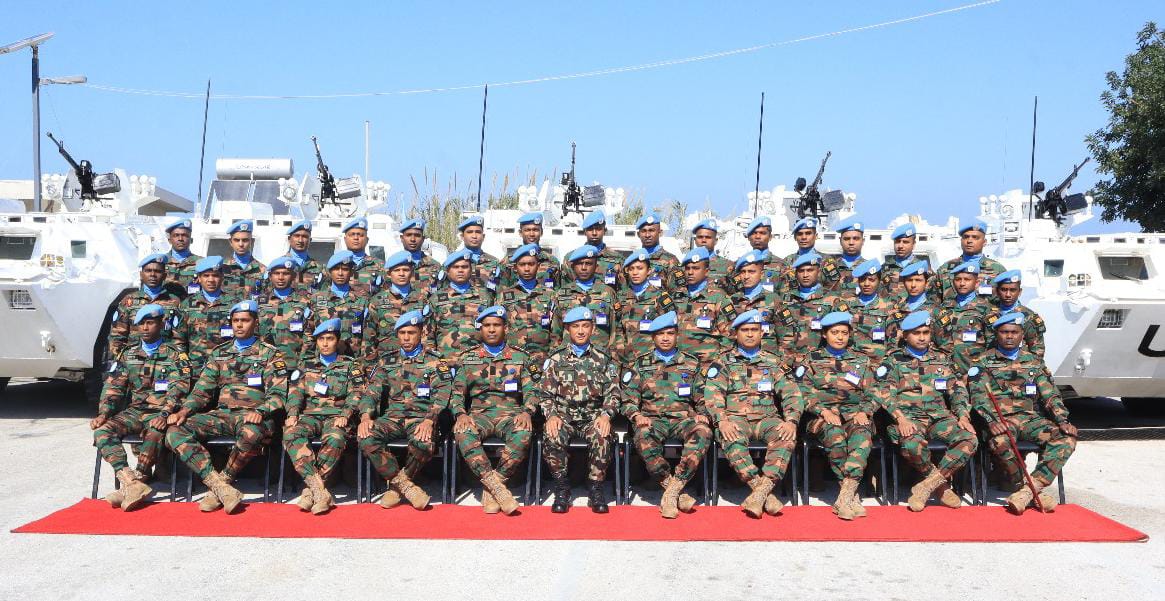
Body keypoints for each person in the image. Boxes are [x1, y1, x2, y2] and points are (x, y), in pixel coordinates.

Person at [164, 300, 289, 514]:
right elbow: (202, 391)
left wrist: (260, 411)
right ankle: (220, 486)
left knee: (251, 433)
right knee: (175, 431)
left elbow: (278, 395)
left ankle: (223, 482)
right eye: (236, 321)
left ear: (255, 322)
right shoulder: (219, 353)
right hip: (222, 414)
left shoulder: (271, 354)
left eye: (245, 320)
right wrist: (184, 411)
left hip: (254, 416)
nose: (239, 325)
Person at [968, 312, 1077, 514]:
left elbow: (1050, 395)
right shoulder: (982, 362)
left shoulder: (1034, 363)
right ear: (996, 334)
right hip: (1001, 421)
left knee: (1066, 439)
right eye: (1004, 332)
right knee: (1000, 441)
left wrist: (1062, 420)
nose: (1009, 336)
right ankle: (1020, 485)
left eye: (1014, 332)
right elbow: (978, 397)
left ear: (1021, 335)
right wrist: (992, 421)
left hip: (1030, 420)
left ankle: (1029, 490)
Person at [703, 310, 805, 518]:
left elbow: (792, 393)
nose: (750, 334)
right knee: (731, 437)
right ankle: (762, 492)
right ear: (736, 334)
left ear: (761, 333)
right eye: (745, 330)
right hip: (735, 419)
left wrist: (792, 421)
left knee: (785, 438)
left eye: (754, 330)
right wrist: (721, 421)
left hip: (767, 419)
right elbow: (713, 395)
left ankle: (760, 493)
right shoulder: (722, 363)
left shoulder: (773, 362)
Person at [91, 304, 193, 511]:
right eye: (141, 324)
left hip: (162, 412)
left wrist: (165, 413)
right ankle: (131, 481)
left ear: (161, 324)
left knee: (156, 431)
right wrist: (103, 413)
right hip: (136, 411)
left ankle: (140, 476)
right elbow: (113, 387)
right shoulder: (128, 354)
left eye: (150, 323)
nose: (145, 328)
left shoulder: (175, 354)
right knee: (102, 431)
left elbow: (180, 387)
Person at [874, 311, 977, 511]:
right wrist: (900, 418)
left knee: (969, 438)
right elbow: (884, 393)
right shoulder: (893, 361)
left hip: (939, 418)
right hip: (909, 418)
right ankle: (942, 487)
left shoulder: (941, 360)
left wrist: (962, 415)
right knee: (911, 444)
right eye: (916, 333)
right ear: (905, 336)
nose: (922, 337)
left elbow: (957, 390)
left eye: (926, 332)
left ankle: (927, 486)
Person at [359, 310, 453, 510]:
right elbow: (372, 392)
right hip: (392, 418)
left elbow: (444, 391)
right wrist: (366, 416)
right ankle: (405, 485)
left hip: (421, 418)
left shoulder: (434, 360)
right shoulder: (387, 360)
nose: (407, 337)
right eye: (402, 333)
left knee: (424, 441)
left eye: (411, 332)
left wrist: (430, 420)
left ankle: (396, 488)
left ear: (421, 333)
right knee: (366, 436)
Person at [621, 311, 711, 518]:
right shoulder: (640, 364)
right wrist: (636, 416)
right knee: (643, 435)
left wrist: (702, 413)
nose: (665, 338)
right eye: (660, 334)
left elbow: (701, 396)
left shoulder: (691, 363)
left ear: (677, 335)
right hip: (652, 419)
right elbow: (628, 399)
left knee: (703, 432)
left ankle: (674, 488)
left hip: (683, 419)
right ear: (653, 337)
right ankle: (673, 490)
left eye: (670, 333)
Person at [449, 306, 537, 515]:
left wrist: (527, 412)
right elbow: (457, 393)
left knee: (523, 433)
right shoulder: (468, 358)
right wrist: (460, 414)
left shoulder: (521, 357)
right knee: (462, 432)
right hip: (480, 415)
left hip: (512, 414)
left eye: (496, 325)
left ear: (505, 327)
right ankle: (497, 488)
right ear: (480, 329)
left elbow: (533, 392)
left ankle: (492, 486)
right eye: (487, 325)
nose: (491, 329)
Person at [794, 312, 878, 520]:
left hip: (854, 415)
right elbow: (801, 392)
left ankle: (846, 495)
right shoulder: (811, 360)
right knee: (835, 436)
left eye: (844, 333)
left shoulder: (861, 361)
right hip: (822, 416)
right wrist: (822, 411)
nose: (840, 337)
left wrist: (864, 411)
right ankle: (850, 494)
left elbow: (875, 392)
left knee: (862, 436)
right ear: (824, 334)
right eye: (834, 333)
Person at [539, 307, 620, 514]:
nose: (581, 331)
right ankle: (562, 487)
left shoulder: (603, 359)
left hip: (593, 417)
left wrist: (605, 415)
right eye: (576, 327)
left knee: (602, 435)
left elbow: (613, 393)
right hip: (564, 417)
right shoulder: (556, 359)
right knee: (552, 433)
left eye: (585, 326)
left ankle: (595, 488)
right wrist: (552, 415)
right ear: (567, 329)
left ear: (593, 328)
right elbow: (545, 395)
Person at [282, 318, 366, 514]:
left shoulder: (350, 365)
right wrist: (292, 414)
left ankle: (310, 492)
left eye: (330, 338)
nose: (326, 343)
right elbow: (295, 393)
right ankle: (319, 491)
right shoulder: (305, 365)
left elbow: (357, 392)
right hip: (310, 415)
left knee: (336, 437)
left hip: (337, 416)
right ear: (316, 342)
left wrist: (346, 414)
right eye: (321, 339)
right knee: (290, 433)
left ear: (337, 341)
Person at [361, 250, 431, 364]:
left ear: (412, 273)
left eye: (406, 270)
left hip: (417, 364)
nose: (401, 274)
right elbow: (369, 338)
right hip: (386, 364)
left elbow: (428, 334)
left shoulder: (422, 299)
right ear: (389, 274)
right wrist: (369, 366)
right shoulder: (376, 302)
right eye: (397, 270)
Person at [107, 253, 183, 359]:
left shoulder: (174, 301)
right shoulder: (129, 301)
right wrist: (121, 360)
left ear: (165, 276)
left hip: (165, 361)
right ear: (141, 275)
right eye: (148, 271)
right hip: (134, 361)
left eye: (157, 271)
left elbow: (179, 337)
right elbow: (117, 336)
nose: (152, 275)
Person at [775, 252, 842, 368]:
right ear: (795, 274)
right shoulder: (785, 299)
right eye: (801, 271)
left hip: (820, 364)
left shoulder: (832, 300)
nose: (805, 275)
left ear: (819, 272)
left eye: (810, 270)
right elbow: (779, 334)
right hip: (789, 363)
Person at [611, 249, 676, 365]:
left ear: (649, 271)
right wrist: (621, 349)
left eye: (640, 268)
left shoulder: (660, 297)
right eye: (631, 269)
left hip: (652, 360)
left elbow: (670, 330)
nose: (635, 273)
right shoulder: (621, 297)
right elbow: (618, 327)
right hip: (627, 359)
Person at [173, 256, 238, 372]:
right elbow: (178, 340)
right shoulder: (187, 305)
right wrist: (184, 363)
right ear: (199, 278)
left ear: (222, 277)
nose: (211, 280)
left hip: (227, 369)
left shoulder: (234, 304)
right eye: (206, 276)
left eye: (215, 275)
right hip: (195, 370)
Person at [551, 245, 620, 353]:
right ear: (573, 266)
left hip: (600, 358)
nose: (584, 268)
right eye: (579, 263)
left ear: (596, 266)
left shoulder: (608, 293)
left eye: (588, 263)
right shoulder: (562, 294)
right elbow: (555, 332)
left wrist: (613, 359)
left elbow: (616, 330)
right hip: (568, 359)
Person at [427, 248, 495, 356]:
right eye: (455, 267)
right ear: (448, 271)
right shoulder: (436, 299)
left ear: (471, 269)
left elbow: (493, 331)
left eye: (464, 267)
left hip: (477, 362)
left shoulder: (485, 297)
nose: (460, 270)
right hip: (446, 360)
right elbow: (428, 337)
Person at [497, 243, 558, 364]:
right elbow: (499, 329)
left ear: (538, 266)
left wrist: (553, 358)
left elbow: (556, 331)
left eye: (531, 264)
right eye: (522, 264)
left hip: (543, 359)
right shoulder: (504, 296)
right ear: (515, 268)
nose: (526, 269)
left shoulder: (550, 295)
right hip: (513, 360)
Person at [303, 251, 371, 358]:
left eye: (345, 269)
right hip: (324, 362)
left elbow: (368, 335)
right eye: (336, 269)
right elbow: (308, 332)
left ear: (351, 272)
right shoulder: (316, 299)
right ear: (329, 272)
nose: (340, 273)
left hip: (353, 361)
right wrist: (308, 359)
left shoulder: (362, 300)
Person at [253, 257, 313, 374]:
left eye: (285, 273)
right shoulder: (259, 302)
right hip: (265, 366)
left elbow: (309, 337)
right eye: (277, 273)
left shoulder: (305, 301)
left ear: (293, 276)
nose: (281, 277)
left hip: (294, 365)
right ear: (270, 276)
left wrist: (301, 363)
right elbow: (253, 334)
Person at [673, 248, 734, 362]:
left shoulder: (719, 298)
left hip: (708, 363)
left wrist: (719, 361)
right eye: (687, 268)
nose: (690, 272)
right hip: (680, 364)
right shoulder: (677, 296)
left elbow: (729, 335)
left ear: (706, 271)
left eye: (695, 268)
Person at [933, 262, 994, 371]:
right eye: (958, 279)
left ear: (976, 282)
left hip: (975, 371)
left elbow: (992, 345)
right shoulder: (944, 308)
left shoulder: (987, 310)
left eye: (967, 279)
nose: (962, 283)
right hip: (948, 371)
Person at [934, 219, 1007, 301]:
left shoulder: (997, 270)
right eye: (966, 237)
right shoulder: (945, 269)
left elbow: (1008, 302)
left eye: (975, 237)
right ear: (961, 241)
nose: (969, 241)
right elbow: (934, 302)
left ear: (984, 242)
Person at [844, 260, 899, 361]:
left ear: (879, 280)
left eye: (871, 280)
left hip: (877, 364)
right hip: (850, 363)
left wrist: (886, 364)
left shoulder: (889, 308)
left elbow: (894, 342)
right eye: (862, 280)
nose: (866, 284)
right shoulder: (847, 305)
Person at [728, 250, 781, 354]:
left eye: (751, 272)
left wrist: (782, 360)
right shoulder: (731, 300)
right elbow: (726, 333)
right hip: (738, 361)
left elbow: (786, 335)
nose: (746, 276)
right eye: (743, 272)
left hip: (768, 361)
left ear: (761, 274)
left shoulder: (774, 299)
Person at [988, 270, 1046, 359]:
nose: (1008, 294)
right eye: (1004, 290)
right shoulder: (988, 313)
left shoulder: (1029, 317)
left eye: (1012, 290)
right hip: (992, 366)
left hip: (1020, 367)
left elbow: (1037, 349)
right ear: (997, 291)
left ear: (1020, 292)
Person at [498, 212, 562, 287]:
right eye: (527, 230)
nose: (531, 234)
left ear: (541, 232)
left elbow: (557, 290)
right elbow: (501, 291)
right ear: (520, 233)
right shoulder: (509, 261)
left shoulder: (552, 261)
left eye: (535, 230)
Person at [781, 217, 842, 293]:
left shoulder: (827, 261)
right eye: (800, 234)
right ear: (795, 237)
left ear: (816, 236)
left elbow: (834, 289)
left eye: (808, 233)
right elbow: (782, 289)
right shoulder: (787, 262)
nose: (804, 237)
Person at [634, 212, 683, 291]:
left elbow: (680, 294)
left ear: (660, 232)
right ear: (638, 234)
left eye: (651, 230)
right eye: (643, 231)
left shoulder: (671, 261)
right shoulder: (632, 261)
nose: (647, 235)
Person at [338, 216, 385, 297]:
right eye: (352, 234)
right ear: (345, 239)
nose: (356, 238)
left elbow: (386, 294)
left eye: (360, 235)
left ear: (367, 240)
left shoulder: (380, 265)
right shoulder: (336, 264)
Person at [582, 211, 627, 287]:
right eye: (590, 229)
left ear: (605, 231)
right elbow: (566, 290)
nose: (594, 233)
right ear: (584, 232)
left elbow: (623, 291)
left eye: (598, 229)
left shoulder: (618, 259)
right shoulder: (572, 259)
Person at [221, 220, 266, 296]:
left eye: (245, 240)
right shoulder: (222, 268)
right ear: (230, 242)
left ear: (251, 241)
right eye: (237, 240)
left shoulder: (262, 270)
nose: (241, 244)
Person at [457, 215, 502, 290]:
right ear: (462, 236)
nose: (474, 236)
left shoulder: (494, 262)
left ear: (483, 236)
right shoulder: (453, 262)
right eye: (469, 232)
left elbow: (500, 290)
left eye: (478, 232)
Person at [162, 218, 203, 297]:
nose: (180, 239)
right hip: (166, 306)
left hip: (192, 307)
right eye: (176, 235)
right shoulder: (160, 262)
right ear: (169, 240)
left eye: (185, 235)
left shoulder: (202, 263)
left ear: (191, 240)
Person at [742, 216, 787, 287]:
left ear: (770, 237)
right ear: (748, 237)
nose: (757, 236)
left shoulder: (781, 265)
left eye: (762, 233)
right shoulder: (741, 265)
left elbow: (786, 295)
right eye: (754, 233)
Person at [399, 218, 442, 289]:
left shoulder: (435, 266)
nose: (412, 239)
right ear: (401, 238)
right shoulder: (394, 266)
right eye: (408, 235)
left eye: (417, 235)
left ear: (423, 239)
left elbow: (441, 294)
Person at [690, 218, 734, 284]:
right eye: (700, 237)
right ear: (695, 240)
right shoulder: (686, 267)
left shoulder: (728, 266)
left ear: (716, 241)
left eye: (708, 237)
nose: (703, 240)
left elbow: (739, 292)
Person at [881, 223, 920, 297]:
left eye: (905, 242)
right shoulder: (883, 268)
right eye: (897, 241)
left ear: (914, 244)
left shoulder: (922, 269)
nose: (900, 246)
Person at [829, 216, 867, 291]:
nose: (851, 243)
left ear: (863, 241)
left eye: (856, 238)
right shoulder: (828, 266)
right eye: (846, 239)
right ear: (840, 241)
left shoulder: (868, 268)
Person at [283, 219, 323, 289]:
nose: (300, 240)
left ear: (310, 240)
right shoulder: (279, 266)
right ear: (289, 239)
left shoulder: (319, 268)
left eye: (304, 237)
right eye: (297, 236)